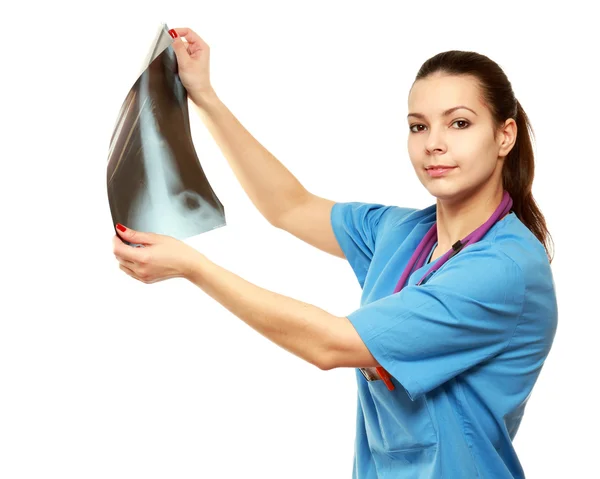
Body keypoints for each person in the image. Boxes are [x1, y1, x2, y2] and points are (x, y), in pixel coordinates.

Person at [112, 27, 558, 478]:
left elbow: (330, 344)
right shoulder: (403, 232)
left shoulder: (504, 270)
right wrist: (204, 95)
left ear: (505, 136)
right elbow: (289, 205)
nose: (433, 143)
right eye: (418, 126)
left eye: (459, 123)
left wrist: (194, 268)